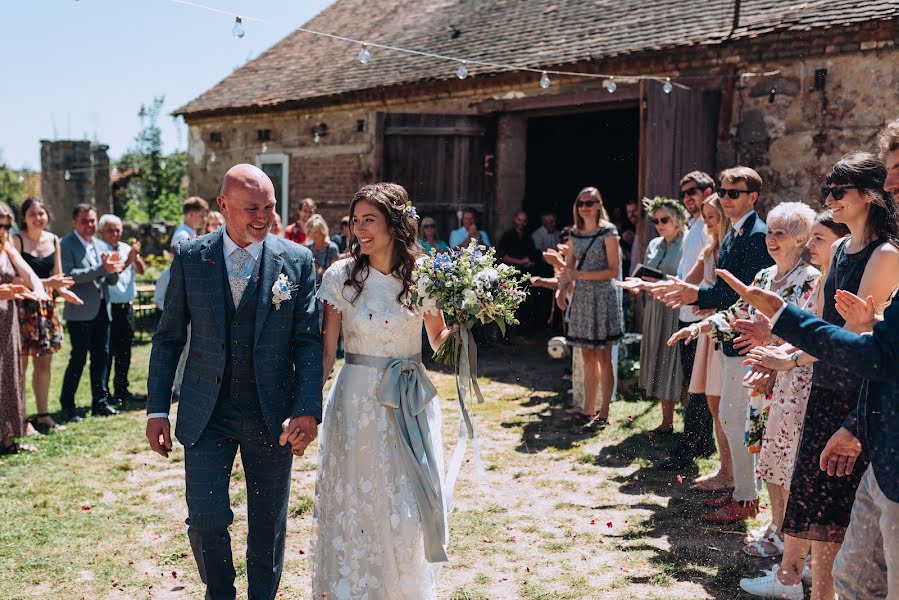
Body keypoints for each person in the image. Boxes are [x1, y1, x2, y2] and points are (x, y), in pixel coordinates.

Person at [146, 164, 322, 600]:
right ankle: (219, 592)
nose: (263, 217)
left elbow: (308, 343)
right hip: (207, 411)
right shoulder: (190, 257)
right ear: (223, 206)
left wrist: (306, 409)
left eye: (269, 207)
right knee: (205, 517)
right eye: (251, 208)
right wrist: (156, 409)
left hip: (272, 412)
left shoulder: (297, 261)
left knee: (268, 520)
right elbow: (168, 339)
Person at [735, 152, 899, 600]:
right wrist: (781, 348)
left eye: (838, 190)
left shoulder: (886, 255)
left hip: (856, 393)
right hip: (824, 386)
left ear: (869, 195)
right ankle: (805, 585)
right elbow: (822, 322)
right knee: (817, 509)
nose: (830, 198)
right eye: (828, 189)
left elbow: (851, 338)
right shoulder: (842, 249)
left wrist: (788, 358)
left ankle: (810, 587)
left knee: (838, 514)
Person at [313, 182, 457, 599]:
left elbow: (437, 339)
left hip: (408, 403)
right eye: (355, 221)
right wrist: (305, 405)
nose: (359, 229)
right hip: (356, 403)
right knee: (357, 502)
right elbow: (327, 354)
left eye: (369, 220)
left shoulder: (425, 275)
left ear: (394, 224)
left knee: (405, 504)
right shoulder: (340, 276)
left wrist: (466, 320)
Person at [669, 202, 820, 546]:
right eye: (770, 232)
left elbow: (809, 331)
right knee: (765, 454)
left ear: (801, 239)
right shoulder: (765, 276)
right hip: (756, 378)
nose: (771, 239)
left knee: (783, 458)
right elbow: (736, 313)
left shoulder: (809, 280)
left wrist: (774, 337)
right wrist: (699, 329)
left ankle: (786, 534)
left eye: (780, 233)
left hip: (786, 380)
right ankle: (769, 523)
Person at [659, 166, 774, 524]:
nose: (725, 199)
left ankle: (745, 500)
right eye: (723, 192)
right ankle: (739, 491)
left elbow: (741, 293)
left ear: (752, 197)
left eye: (733, 193)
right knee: (728, 414)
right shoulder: (735, 233)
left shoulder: (756, 234)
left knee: (739, 418)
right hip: (726, 333)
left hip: (743, 337)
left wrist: (697, 293)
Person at [659, 171, 716, 471]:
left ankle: (692, 445)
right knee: (692, 383)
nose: (688, 197)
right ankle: (702, 442)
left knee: (697, 386)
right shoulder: (693, 224)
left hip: (700, 314)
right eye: (684, 193)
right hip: (686, 312)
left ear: (709, 190)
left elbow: (709, 270)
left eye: (693, 191)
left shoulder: (710, 226)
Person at [617, 197, 686, 434]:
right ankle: (667, 422)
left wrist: (660, 282)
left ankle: (691, 426)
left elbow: (686, 279)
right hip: (655, 309)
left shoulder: (687, 243)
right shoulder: (654, 244)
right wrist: (637, 286)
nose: (659, 224)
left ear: (678, 219)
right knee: (660, 361)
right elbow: (646, 275)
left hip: (677, 308)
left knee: (677, 363)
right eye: (655, 220)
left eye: (664, 219)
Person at [555, 187, 623, 425]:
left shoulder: (609, 231)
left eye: (589, 202)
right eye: (580, 202)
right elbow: (568, 268)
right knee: (586, 354)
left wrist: (578, 275)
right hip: (583, 298)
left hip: (603, 298)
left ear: (598, 204)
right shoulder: (575, 233)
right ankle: (587, 409)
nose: (584, 206)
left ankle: (604, 412)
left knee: (603, 355)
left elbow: (613, 271)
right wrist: (562, 289)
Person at [13, 197, 80, 432]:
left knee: (44, 365)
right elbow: (13, 279)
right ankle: (19, 418)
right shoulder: (16, 240)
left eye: (41, 213)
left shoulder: (54, 240)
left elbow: (58, 278)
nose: (37, 217)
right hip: (21, 308)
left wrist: (66, 294)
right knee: (19, 367)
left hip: (46, 308)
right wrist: (47, 282)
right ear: (24, 217)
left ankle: (42, 415)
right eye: (33, 214)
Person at [59, 204, 124, 422]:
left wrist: (114, 270)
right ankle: (67, 405)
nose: (90, 225)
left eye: (93, 221)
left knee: (102, 358)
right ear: (74, 222)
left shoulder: (100, 244)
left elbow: (110, 277)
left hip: (103, 309)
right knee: (78, 358)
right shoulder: (65, 244)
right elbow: (69, 276)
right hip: (80, 310)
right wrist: (101, 269)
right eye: (85, 221)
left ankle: (100, 402)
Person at [0, 202, 50, 454]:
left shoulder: (6, 246)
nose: (2, 230)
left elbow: (28, 273)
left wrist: (39, 290)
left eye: (7, 226)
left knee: (9, 378)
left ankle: (8, 439)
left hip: (7, 323)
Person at [98, 214, 145, 404]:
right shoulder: (100, 249)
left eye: (118, 229)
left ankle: (122, 390)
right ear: (101, 232)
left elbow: (141, 270)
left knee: (125, 351)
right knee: (107, 352)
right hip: (108, 307)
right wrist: (128, 260)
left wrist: (135, 256)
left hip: (126, 307)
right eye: (110, 229)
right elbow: (113, 274)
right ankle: (105, 393)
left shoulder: (125, 248)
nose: (115, 233)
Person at [304, 214, 339, 283]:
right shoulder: (307, 248)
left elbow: (334, 276)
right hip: (310, 289)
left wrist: (318, 269)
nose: (313, 236)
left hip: (327, 289)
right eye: (310, 232)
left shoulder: (332, 248)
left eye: (316, 232)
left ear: (323, 231)